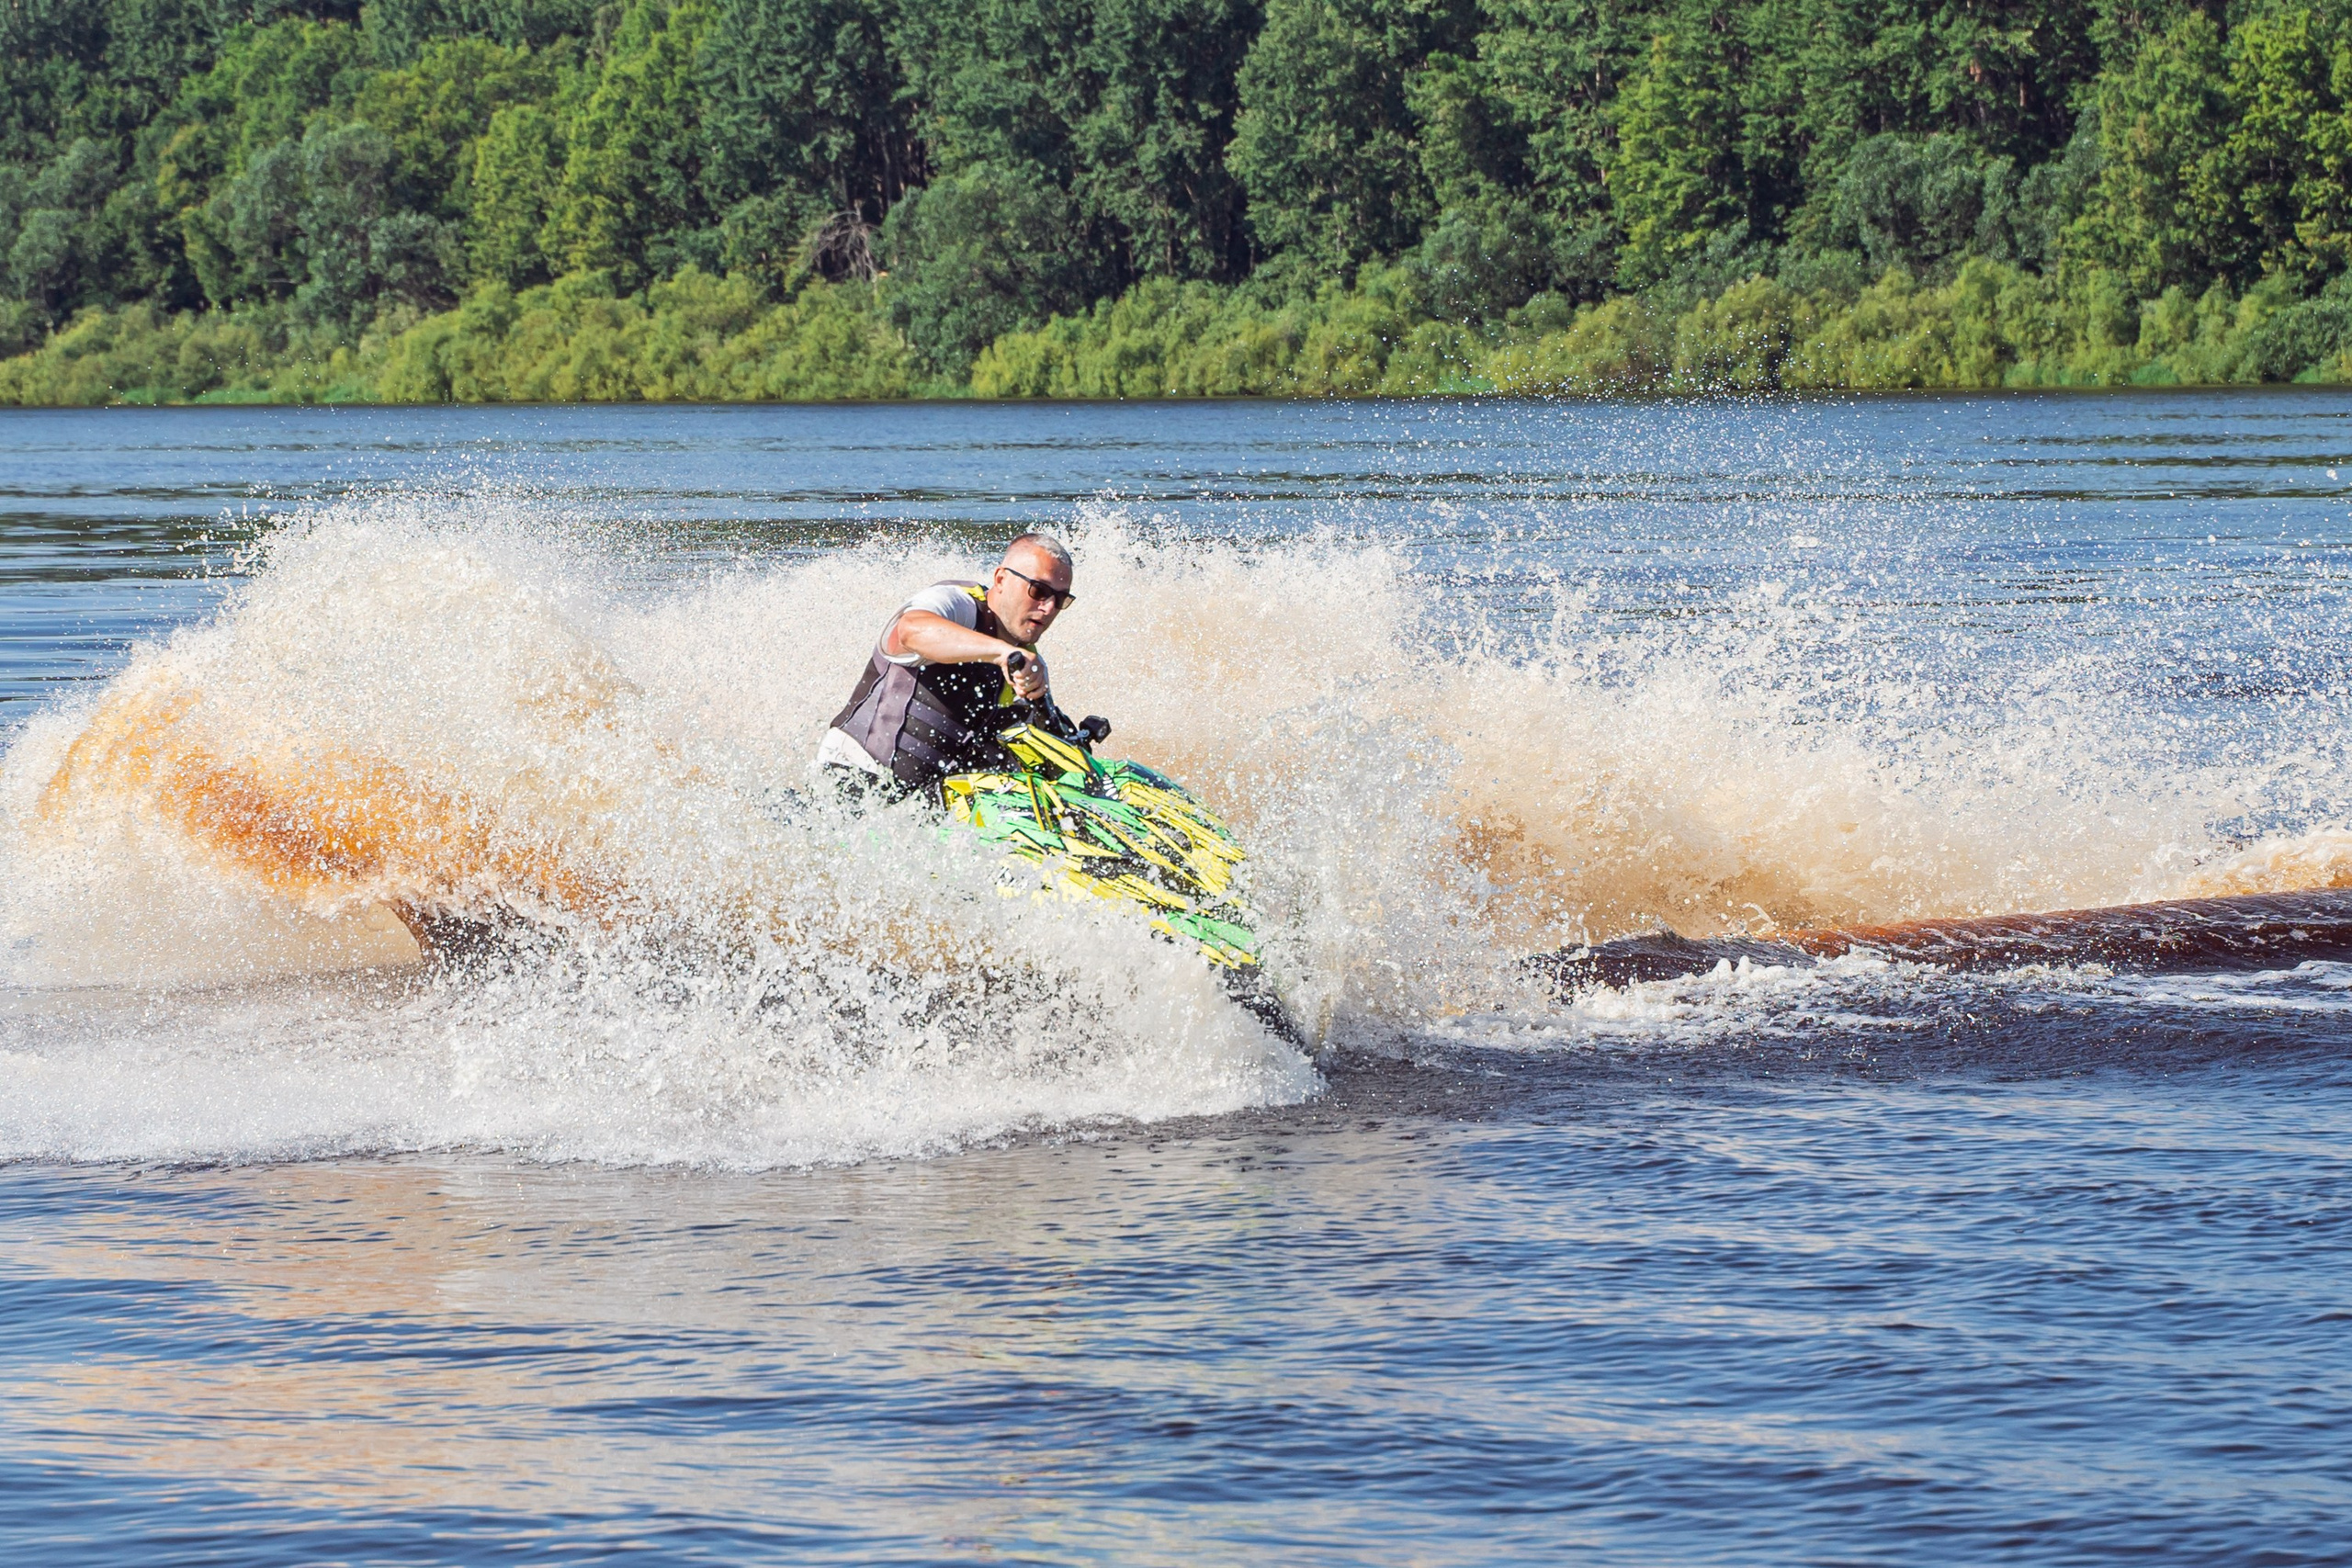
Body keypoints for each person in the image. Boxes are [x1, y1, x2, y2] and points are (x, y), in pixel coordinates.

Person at [819, 534, 1077, 795]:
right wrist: (1002, 653)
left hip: (920, 808)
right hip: (855, 780)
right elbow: (910, 631)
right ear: (1001, 579)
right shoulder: (957, 605)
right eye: (1039, 591)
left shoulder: (1028, 661)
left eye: (1060, 599)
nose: (1048, 608)